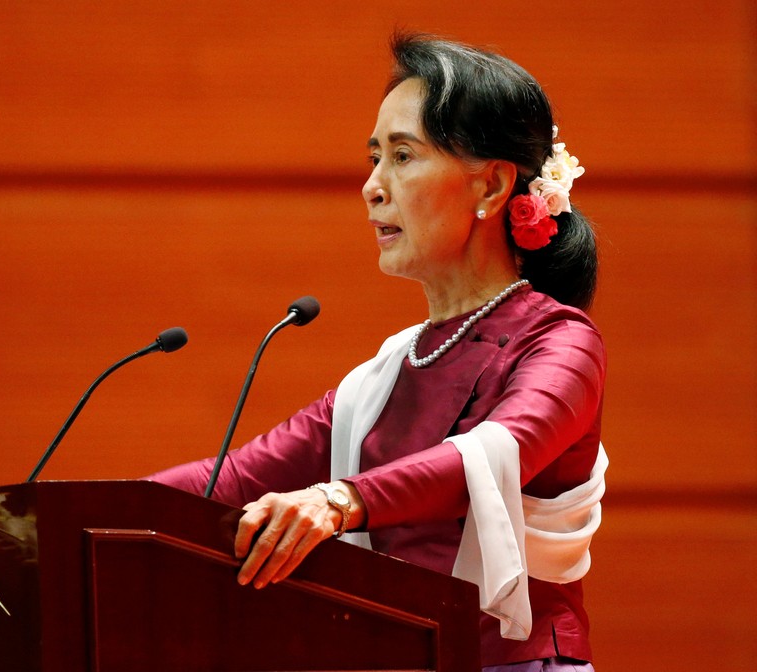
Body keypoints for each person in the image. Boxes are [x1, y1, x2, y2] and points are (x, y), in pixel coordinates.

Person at [148, 33, 606, 672]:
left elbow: (488, 455)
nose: (372, 187)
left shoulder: (561, 343)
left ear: (493, 185)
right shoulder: (389, 374)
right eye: (374, 157)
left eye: (402, 155)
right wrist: (28, 515)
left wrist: (337, 501)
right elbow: (229, 479)